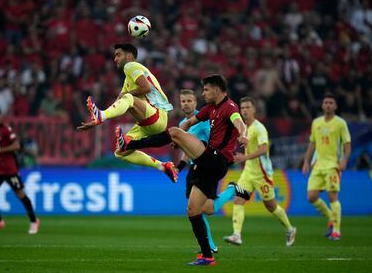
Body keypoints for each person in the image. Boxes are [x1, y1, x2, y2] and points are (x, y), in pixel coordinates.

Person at [116, 74, 248, 266]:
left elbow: (239, 123)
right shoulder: (209, 108)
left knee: (175, 132)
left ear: (217, 90)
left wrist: (243, 135)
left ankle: (130, 143)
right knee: (195, 211)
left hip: (217, 159)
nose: (203, 93)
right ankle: (207, 256)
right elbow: (188, 123)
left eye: (206, 89)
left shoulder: (230, 107)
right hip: (207, 164)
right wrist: (181, 139)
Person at [77, 43, 178, 182]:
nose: (115, 59)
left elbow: (146, 88)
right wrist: (96, 122)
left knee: (129, 97)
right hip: (147, 123)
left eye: (118, 54)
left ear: (129, 56)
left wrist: (103, 115)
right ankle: (163, 166)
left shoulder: (131, 66)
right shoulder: (127, 80)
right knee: (120, 152)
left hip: (158, 115)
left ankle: (101, 115)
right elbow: (119, 103)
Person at [175, 89, 250, 254]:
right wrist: (180, 166)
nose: (186, 104)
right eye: (183, 101)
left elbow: (213, 143)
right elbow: (188, 150)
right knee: (199, 210)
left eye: (189, 101)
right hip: (193, 169)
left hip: (207, 168)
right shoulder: (183, 124)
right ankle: (209, 246)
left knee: (205, 209)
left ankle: (231, 190)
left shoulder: (203, 122)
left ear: (195, 103)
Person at [223, 97, 296, 247]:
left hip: (262, 174)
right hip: (249, 172)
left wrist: (244, 157)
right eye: (242, 108)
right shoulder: (242, 128)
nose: (244, 110)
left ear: (254, 109)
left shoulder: (259, 128)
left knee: (271, 206)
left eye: (248, 107)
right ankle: (237, 235)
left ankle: (290, 229)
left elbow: (263, 149)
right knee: (238, 200)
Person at [302, 94, 351, 241]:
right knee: (311, 196)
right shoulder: (316, 122)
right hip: (318, 165)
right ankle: (331, 217)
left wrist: (344, 161)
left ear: (335, 106)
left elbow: (347, 144)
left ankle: (336, 230)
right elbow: (312, 143)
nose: (328, 105)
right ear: (322, 106)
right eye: (326, 102)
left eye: (331, 103)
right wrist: (306, 161)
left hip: (332, 165)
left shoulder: (340, 123)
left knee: (332, 196)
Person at [0, 107, 40, 234]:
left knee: (20, 195)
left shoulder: (6, 130)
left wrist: (0, 151)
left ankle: (34, 220)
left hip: (10, 170)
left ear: (1, 117)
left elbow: (16, 146)